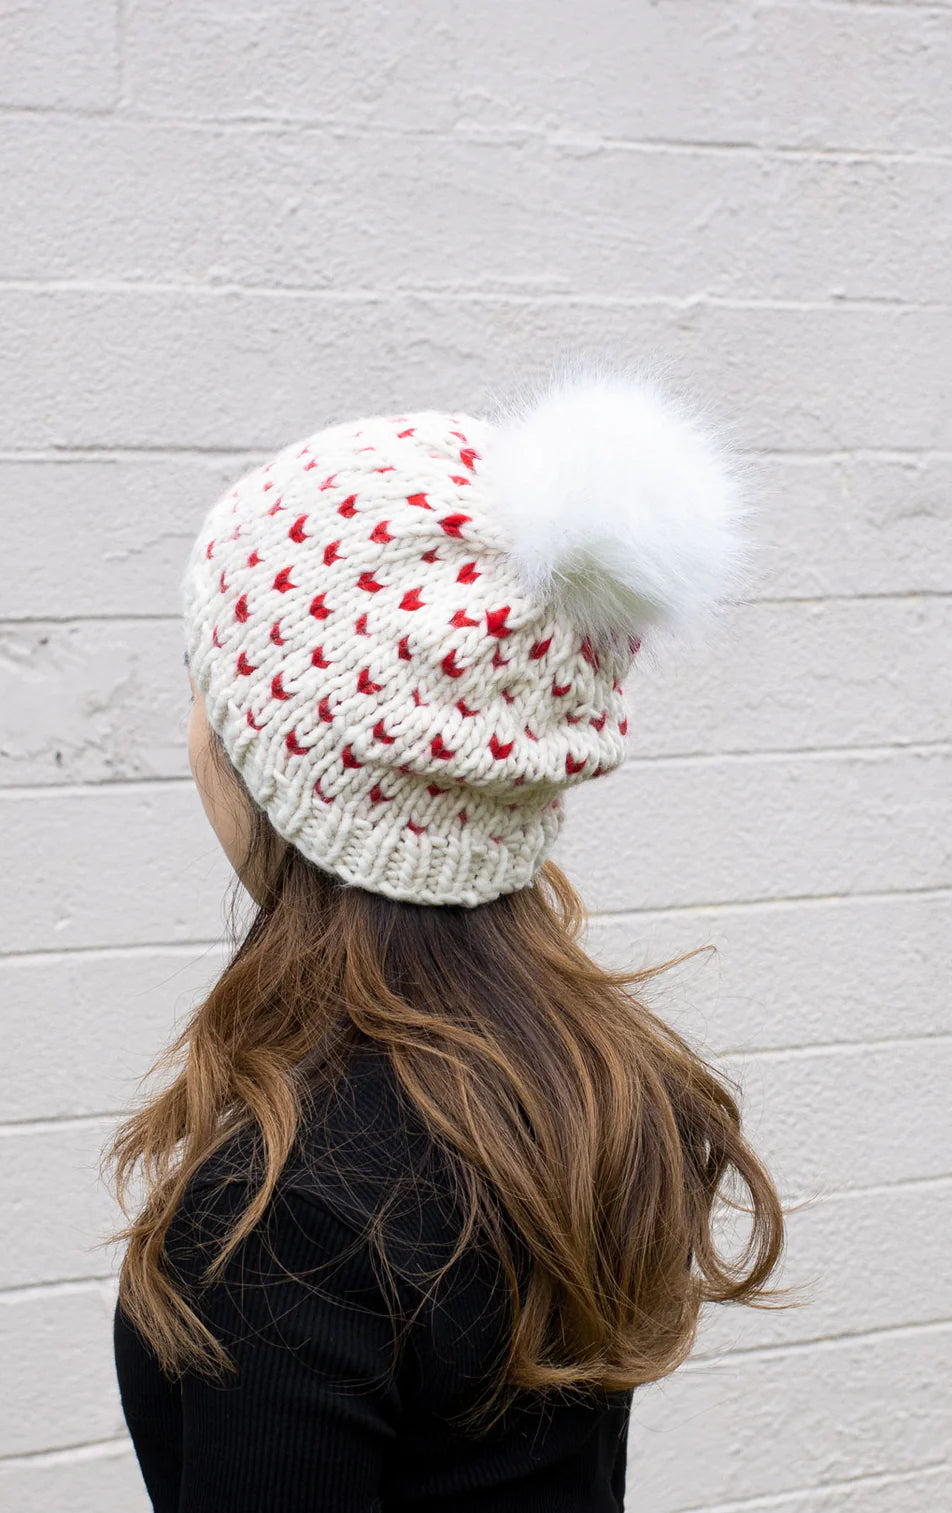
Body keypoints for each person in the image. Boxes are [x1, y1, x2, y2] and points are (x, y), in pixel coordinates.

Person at [103, 356, 793, 1511]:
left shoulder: (285, 1221)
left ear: (298, 768)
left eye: (202, 681)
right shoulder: (587, 1090)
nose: (191, 731)